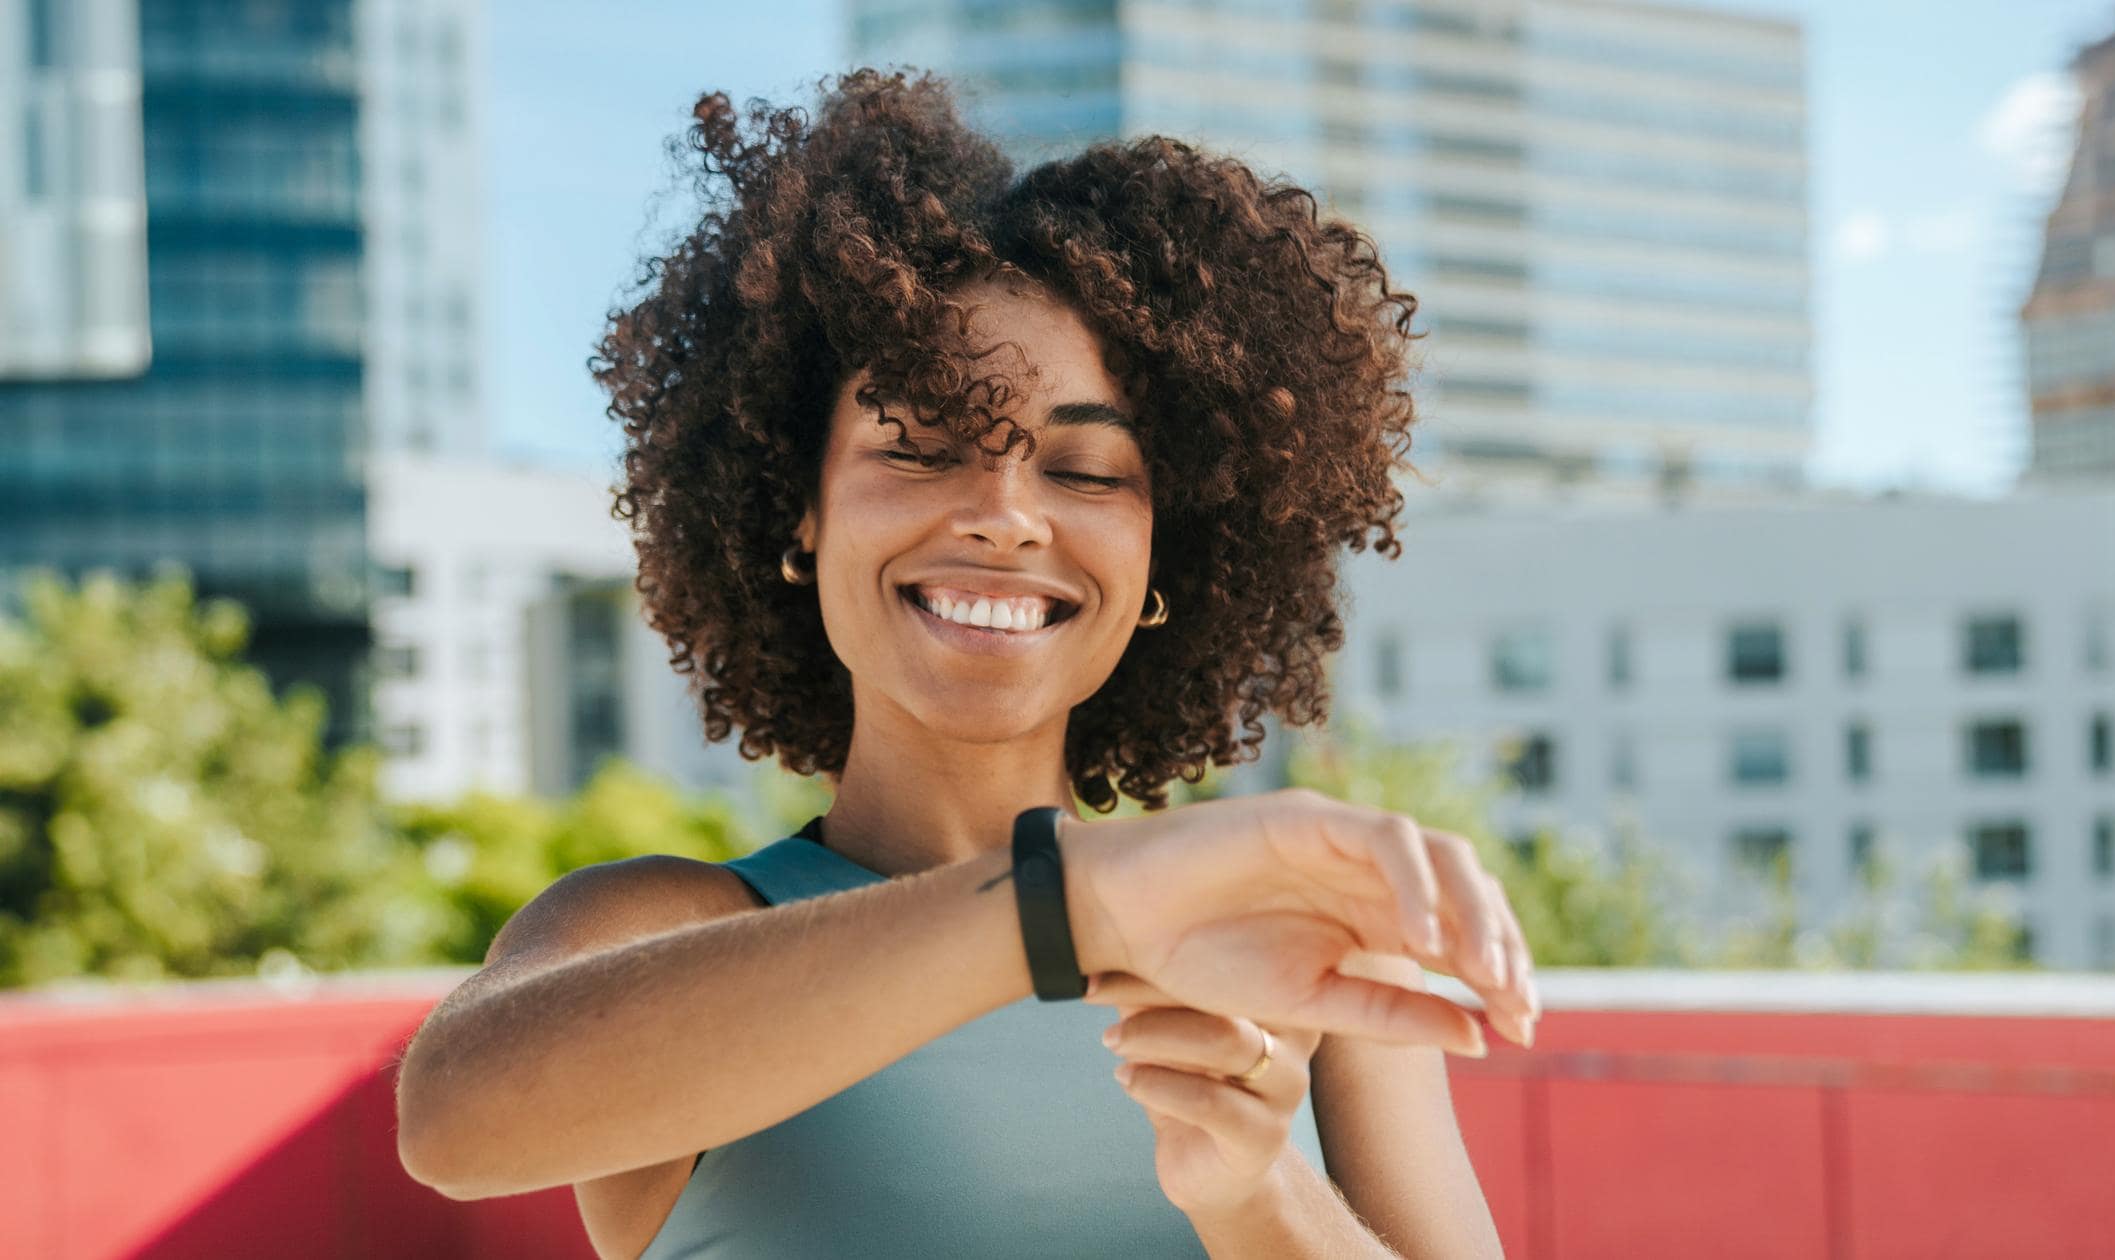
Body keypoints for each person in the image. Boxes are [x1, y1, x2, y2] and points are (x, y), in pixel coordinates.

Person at [394, 67, 1540, 1258]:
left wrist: (1258, 1191)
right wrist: (1065, 905)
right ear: (801, 510)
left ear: (1164, 558)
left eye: (1086, 473)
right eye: (921, 448)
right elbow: (453, 1119)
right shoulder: (661, 928)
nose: (1003, 515)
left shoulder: (1304, 958)